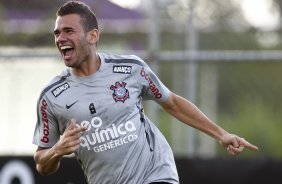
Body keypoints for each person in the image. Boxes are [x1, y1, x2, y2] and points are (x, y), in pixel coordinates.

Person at [32, 1, 258, 184]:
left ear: (93, 36)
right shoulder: (51, 97)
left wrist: (221, 134)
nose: (60, 38)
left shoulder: (131, 69)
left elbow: (173, 104)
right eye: (57, 33)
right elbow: (42, 164)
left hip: (156, 173)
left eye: (68, 31)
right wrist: (58, 150)